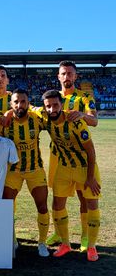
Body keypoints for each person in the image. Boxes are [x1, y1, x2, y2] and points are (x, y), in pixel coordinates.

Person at [42, 90, 101, 262]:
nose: (52, 109)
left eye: (55, 105)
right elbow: (30, 109)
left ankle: (91, 246)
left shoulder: (75, 122)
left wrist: (90, 178)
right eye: (48, 106)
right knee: (57, 204)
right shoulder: (45, 118)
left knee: (91, 203)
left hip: (85, 168)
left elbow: (91, 152)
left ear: (61, 105)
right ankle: (65, 244)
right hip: (64, 167)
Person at [2, 89, 49, 257]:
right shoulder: (4, 122)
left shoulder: (37, 119)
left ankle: (42, 243)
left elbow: (51, 115)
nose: (19, 105)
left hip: (35, 170)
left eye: (23, 101)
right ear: (11, 104)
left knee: (42, 206)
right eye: (16, 102)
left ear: (28, 103)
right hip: (13, 171)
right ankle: (12, 241)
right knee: (6, 208)